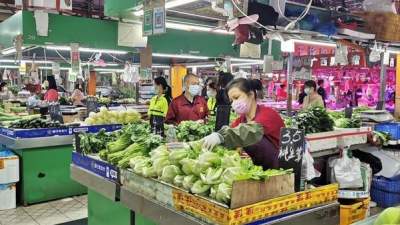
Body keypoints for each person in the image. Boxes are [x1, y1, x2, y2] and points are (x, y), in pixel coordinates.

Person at [202, 78, 285, 169]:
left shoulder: (268, 114)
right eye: (231, 101)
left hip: (280, 170)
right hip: (261, 171)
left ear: (251, 95)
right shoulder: (241, 120)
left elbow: (249, 131)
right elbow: (232, 134)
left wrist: (221, 136)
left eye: (236, 98)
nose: (234, 103)